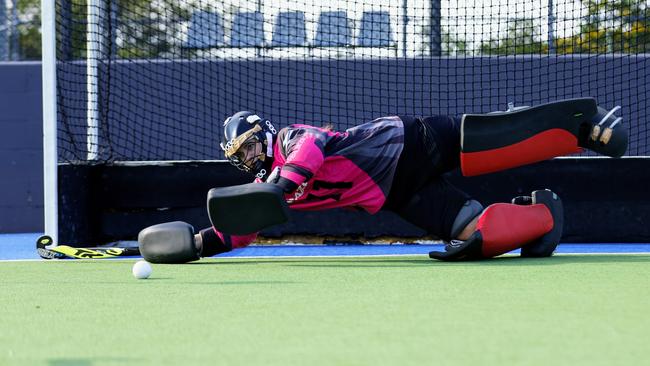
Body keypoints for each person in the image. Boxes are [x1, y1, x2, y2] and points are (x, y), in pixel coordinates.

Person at [138, 98, 627, 262]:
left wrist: (281, 186)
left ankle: (583, 129)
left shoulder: (289, 140)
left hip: (407, 143)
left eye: (248, 146)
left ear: (262, 137)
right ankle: (544, 214)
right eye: (238, 155)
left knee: (494, 144)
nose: (246, 157)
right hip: (397, 194)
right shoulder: (264, 191)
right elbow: (241, 229)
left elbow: (310, 151)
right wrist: (201, 244)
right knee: (480, 236)